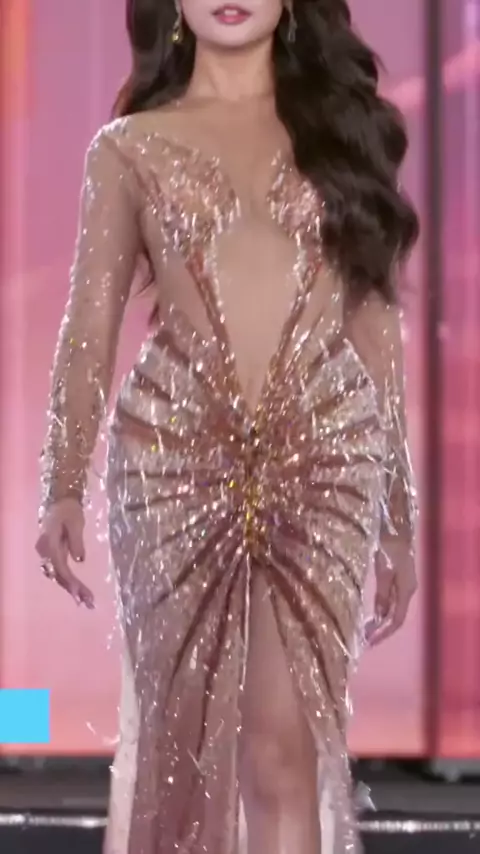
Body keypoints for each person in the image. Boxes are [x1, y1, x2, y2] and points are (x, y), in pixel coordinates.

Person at [35, 0, 419, 852]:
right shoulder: (129, 149)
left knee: (284, 750)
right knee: (186, 753)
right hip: (174, 465)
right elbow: (89, 324)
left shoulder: (340, 139)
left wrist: (399, 513)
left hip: (322, 461)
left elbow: (376, 333)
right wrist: (61, 481)